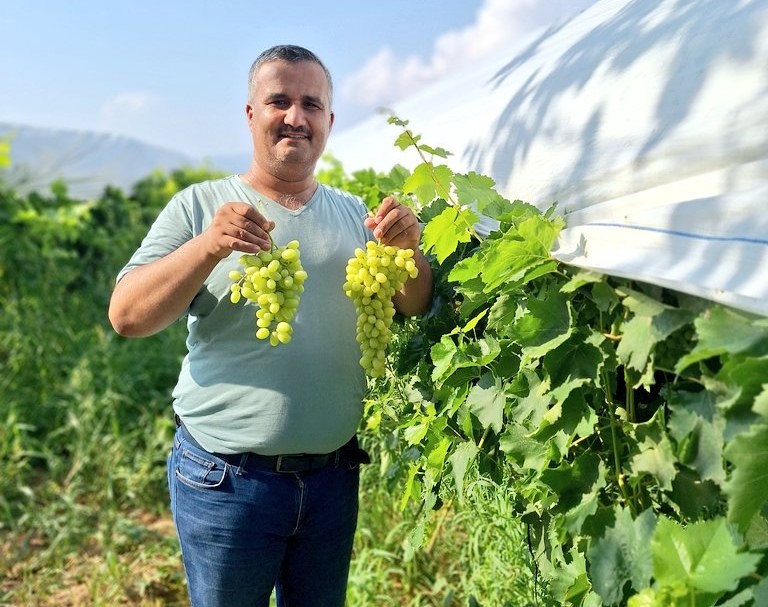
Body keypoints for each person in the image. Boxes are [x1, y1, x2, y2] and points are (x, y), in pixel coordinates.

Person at [108, 44, 433, 607]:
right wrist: (209, 246)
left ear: (329, 120)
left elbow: (412, 304)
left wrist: (411, 252)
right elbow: (127, 316)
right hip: (226, 483)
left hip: (333, 479)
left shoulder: (359, 215)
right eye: (278, 101)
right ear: (251, 113)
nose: (295, 117)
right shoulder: (201, 206)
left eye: (311, 103)